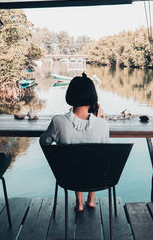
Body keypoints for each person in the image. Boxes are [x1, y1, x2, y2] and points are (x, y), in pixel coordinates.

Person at [40, 72, 109, 211]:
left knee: (76, 162)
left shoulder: (58, 121)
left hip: (68, 178)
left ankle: (80, 203)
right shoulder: (103, 124)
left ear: (70, 95)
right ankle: (91, 200)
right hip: (97, 178)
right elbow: (104, 153)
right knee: (92, 159)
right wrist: (98, 119)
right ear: (93, 97)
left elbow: (44, 142)